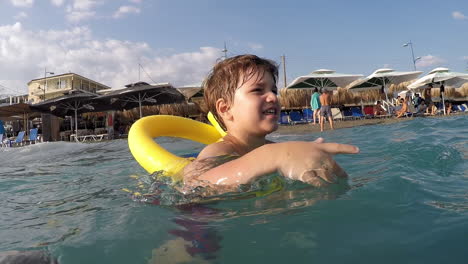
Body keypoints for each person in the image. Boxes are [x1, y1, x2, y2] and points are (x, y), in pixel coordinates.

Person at [181, 55, 359, 196]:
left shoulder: (277, 149)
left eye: (273, 90)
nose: (273, 97)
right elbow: (194, 187)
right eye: (257, 90)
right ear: (226, 108)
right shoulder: (218, 151)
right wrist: (275, 156)